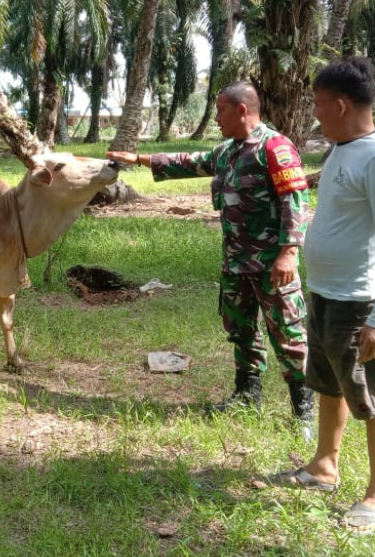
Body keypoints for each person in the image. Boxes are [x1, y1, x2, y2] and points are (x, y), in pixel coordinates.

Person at [106, 81, 315, 432]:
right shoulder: (229, 151)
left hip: (270, 264)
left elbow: (294, 200)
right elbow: (190, 161)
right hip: (235, 263)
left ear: (242, 110)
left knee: (288, 334)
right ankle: (247, 394)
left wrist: (289, 252)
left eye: (220, 110)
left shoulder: (275, 148)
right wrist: (139, 159)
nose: (216, 118)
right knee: (241, 329)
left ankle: (303, 411)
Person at [265, 58, 375, 535]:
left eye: (319, 104)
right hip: (324, 293)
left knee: (369, 397)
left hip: (357, 304)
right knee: (328, 384)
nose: (315, 113)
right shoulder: (342, 150)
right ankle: (324, 466)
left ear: (342, 104)